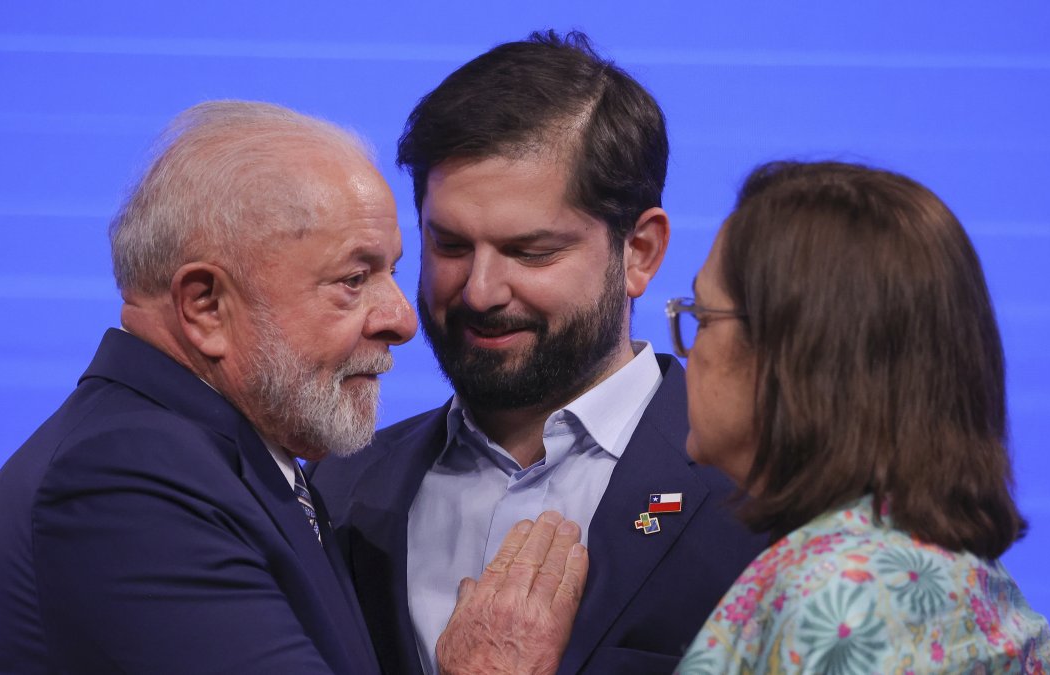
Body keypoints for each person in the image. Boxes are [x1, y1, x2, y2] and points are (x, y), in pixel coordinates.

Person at [0, 100, 588, 674]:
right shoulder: (127, 476)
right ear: (205, 306)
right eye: (353, 279)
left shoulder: (238, 461)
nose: (402, 319)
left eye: (392, 270)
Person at [309, 31, 766, 675]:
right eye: (450, 246)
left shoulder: (766, 489)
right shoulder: (334, 492)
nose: (480, 291)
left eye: (532, 252)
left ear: (639, 253)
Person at [667, 161, 1050, 673]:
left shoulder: (842, 601)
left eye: (702, 316)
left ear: (796, 358)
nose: (688, 353)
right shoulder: (960, 574)